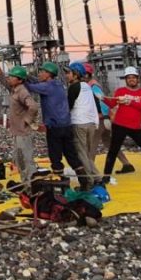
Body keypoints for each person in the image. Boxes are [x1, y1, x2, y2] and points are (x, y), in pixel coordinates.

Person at [23, 61, 91, 191]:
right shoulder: (58, 84)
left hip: (55, 127)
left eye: (43, 72)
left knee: (55, 157)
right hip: (67, 125)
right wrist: (28, 76)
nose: (40, 74)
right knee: (72, 156)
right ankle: (85, 182)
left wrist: (21, 78)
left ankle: (62, 185)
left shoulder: (47, 87)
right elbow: (37, 82)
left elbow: (31, 87)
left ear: (49, 74)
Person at [0, 55, 39, 184]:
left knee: (27, 159)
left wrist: (27, 120)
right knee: (19, 159)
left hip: (23, 133)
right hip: (17, 132)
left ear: (20, 80)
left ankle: (32, 184)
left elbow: (33, 106)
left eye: (12, 76)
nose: (9, 78)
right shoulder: (14, 89)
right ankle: (25, 182)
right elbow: (2, 79)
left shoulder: (22, 92)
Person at [84, 62, 136, 174]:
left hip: (101, 119)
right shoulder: (91, 85)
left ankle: (90, 171)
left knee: (92, 145)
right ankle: (126, 164)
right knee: (109, 143)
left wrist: (104, 115)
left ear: (87, 75)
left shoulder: (92, 86)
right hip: (104, 119)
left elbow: (102, 101)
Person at [65, 62, 102, 186]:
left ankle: (88, 181)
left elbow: (68, 107)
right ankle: (97, 177)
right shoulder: (87, 86)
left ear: (75, 75)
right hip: (91, 124)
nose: (66, 75)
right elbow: (96, 104)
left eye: (69, 73)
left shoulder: (73, 88)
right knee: (87, 153)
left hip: (79, 123)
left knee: (81, 154)